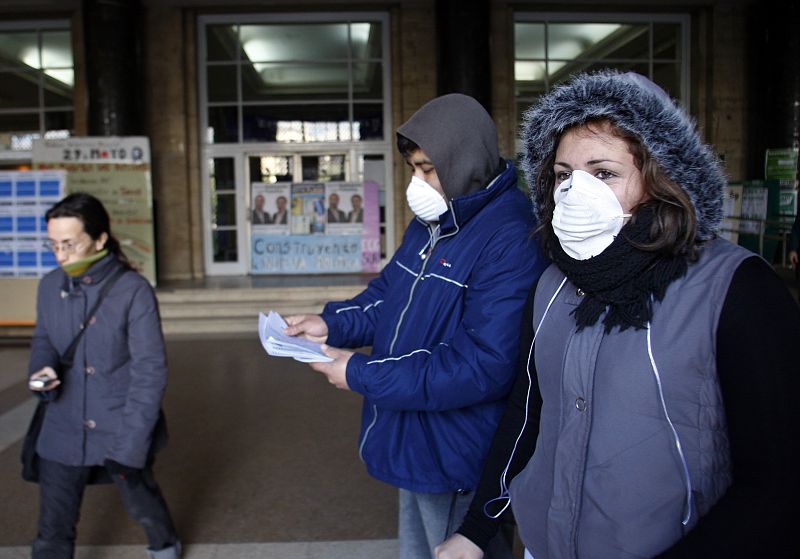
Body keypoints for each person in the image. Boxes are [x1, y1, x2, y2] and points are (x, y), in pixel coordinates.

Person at [435, 70, 800, 559]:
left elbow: (777, 480)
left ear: (660, 178)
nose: (574, 192)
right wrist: (477, 528)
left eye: (603, 173)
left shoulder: (736, 289)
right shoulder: (551, 286)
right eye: (564, 175)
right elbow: (526, 416)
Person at [284, 93, 548, 558]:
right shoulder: (435, 219)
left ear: (462, 160)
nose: (417, 182)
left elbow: (482, 367)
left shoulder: (510, 237)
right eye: (412, 168)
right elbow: (389, 294)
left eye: (428, 168)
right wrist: (330, 325)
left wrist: (361, 373)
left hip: (456, 453)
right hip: (414, 434)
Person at [27, 193, 180, 559]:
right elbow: (43, 339)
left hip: (119, 422)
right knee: (52, 526)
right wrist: (42, 370)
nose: (60, 255)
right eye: (53, 245)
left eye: (69, 244)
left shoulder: (132, 290)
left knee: (141, 501)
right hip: (62, 423)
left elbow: (150, 371)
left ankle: (164, 546)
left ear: (99, 240)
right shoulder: (50, 285)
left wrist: (132, 441)